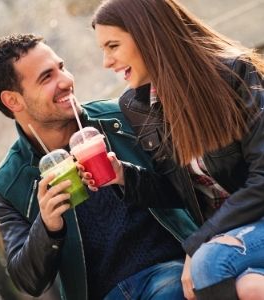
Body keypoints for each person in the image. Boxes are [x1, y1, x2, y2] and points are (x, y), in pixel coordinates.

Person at [0, 33, 199, 300]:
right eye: (47, 77)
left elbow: (188, 190)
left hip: (168, 271)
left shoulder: (122, 116)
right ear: (13, 101)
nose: (67, 81)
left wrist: (126, 177)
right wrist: (47, 226)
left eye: (61, 67)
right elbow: (28, 281)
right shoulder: (7, 184)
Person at [88, 0, 264, 299]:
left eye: (113, 46)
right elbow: (182, 190)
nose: (107, 61)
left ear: (147, 33)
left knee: (209, 265)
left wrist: (199, 243)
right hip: (226, 234)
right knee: (244, 285)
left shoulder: (235, 72)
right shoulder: (137, 105)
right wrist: (124, 177)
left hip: (249, 221)